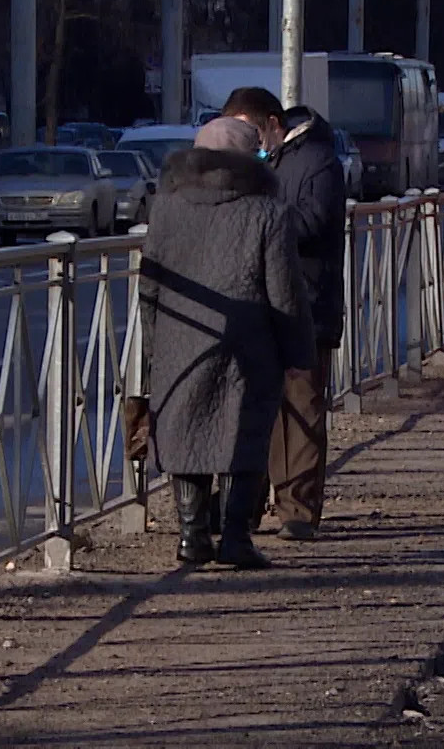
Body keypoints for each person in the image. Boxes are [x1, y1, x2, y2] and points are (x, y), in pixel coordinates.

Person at [139, 116, 315, 569]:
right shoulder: (266, 212)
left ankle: (191, 536)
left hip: (183, 335)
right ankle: (235, 537)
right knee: (245, 432)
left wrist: (153, 345)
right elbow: (284, 290)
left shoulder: (167, 208)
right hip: (249, 340)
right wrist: (297, 351)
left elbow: (151, 285)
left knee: (186, 430)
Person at [221, 86, 347, 543]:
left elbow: (314, 221)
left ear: (273, 124)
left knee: (302, 406)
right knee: (261, 408)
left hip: (308, 304)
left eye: (250, 131)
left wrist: (260, 221)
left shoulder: (318, 161)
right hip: (262, 306)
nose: (247, 142)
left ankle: (297, 510)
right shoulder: (267, 161)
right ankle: (247, 506)